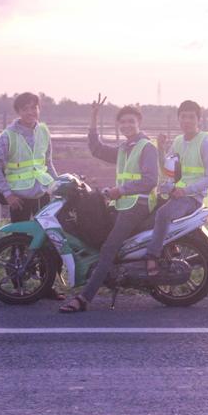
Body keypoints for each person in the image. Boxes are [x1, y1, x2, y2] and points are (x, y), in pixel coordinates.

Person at [59, 96, 158, 313]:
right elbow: (96, 149)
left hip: (138, 205)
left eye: (131, 121)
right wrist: (94, 118)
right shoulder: (124, 148)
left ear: (139, 123)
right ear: (118, 125)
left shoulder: (146, 147)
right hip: (123, 204)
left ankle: (84, 298)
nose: (127, 125)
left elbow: (151, 180)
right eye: (123, 122)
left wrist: (120, 191)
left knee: (109, 248)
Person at [0, 92, 64, 300]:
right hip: (19, 198)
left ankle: (46, 286)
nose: (31, 112)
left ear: (39, 108)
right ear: (18, 112)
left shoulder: (44, 131)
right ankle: (18, 286)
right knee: (19, 243)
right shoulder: (8, 135)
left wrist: (57, 185)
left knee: (48, 241)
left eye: (34, 107)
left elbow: (47, 162)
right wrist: (7, 193)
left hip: (43, 194)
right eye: (25, 109)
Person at [145, 100, 208, 275]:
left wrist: (185, 191)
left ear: (198, 120)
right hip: (175, 194)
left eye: (191, 117)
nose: (187, 121)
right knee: (146, 209)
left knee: (163, 214)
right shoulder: (178, 141)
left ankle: (152, 256)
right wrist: (161, 149)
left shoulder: (205, 143)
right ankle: (170, 246)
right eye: (183, 117)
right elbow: (167, 168)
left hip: (192, 198)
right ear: (178, 119)